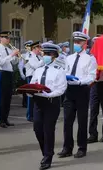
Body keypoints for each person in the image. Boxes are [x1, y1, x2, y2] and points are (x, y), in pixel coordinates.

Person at [58, 31, 97, 158]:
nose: (76, 44)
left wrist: (80, 81)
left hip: (82, 90)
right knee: (67, 121)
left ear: (85, 43)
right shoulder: (69, 58)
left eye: (79, 42)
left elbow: (91, 77)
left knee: (82, 121)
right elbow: (65, 71)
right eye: (75, 42)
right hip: (69, 90)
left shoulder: (90, 59)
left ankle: (82, 147)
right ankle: (67, 147)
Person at [30, 42, 67, 170]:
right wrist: (29, 92)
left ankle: (47, 156)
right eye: (43, 53)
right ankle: (45, 152)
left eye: (47, 54)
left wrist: (48, 94)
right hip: (38, 102)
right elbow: (32, 84)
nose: (44, 56)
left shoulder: (59, 71)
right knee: (37, 129)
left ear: (53, 56)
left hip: (51, 102)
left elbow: (61, 89)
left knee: (48, 130)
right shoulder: (38, 70)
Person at [0, 31, 19, 128]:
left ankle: (6, 119)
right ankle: (1, 120)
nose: (8, 40)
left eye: (8, 38)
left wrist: (16, 57)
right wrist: (12, 55)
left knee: (8, 97)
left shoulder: (9, 50)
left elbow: (13, 63)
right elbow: (0, 62)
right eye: (6, 38)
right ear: (0, 38)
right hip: (2, 73)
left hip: (9, 73)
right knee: (2, 97)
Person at [26, 41, 45, 122]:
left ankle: (35, 114)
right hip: (31, 77)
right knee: (31, 97)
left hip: (37, 77)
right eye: (39, 48)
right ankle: (30, 115)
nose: (40, 49)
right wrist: (43, 58)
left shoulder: (39, 57)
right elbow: (36, 66)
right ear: (34, 48)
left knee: (36, 97)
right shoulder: (29, 56)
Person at [18, 40, 33, 108]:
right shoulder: (23, 55)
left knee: (32, 88)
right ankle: (25, 103)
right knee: (25, 89)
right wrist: (21, 73)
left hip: (32, 72)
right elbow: (20, 65)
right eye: (28, 46)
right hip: (25, 71)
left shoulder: (33, 54)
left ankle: (31, 102)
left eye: (30, 46)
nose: (29, 47)